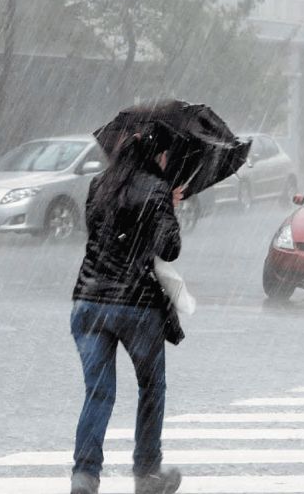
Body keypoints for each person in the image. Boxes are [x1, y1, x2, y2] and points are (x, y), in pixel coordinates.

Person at [70, 126, 183, 494]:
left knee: (98, 392)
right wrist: (169, 207)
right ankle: (147, 473)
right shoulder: (157, 188)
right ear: (156, 155)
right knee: (151, 387)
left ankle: (85, 476)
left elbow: (100, 233)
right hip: (136, 305)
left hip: (89, 301)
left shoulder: (98, 185)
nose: (167, 161)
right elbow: (169, 248)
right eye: (165, 155)